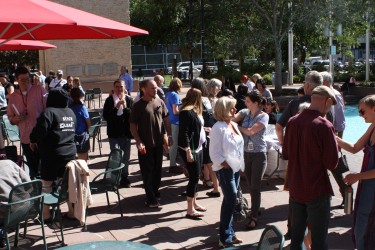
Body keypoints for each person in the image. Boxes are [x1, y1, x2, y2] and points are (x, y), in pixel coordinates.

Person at [283, 85, 338, 250]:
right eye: (330, 105)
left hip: (296, 187)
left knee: (296, 237)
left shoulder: (292, 121)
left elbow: (285, 154)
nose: (329, 109)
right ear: (327, 101)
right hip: (316, 189)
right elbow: (332, 163)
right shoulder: (324, 126)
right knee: (319, 241)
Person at [275, 70, 323, 238]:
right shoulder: (324, 104)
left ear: (307, 85)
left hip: (296, 158)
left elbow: (279, 126)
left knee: (295, 195)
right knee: (316, 197)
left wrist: (284, 145)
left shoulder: (295, 103)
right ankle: (311, 233)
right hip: (317, 161)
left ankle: (293, 230)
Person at [30, 88, 77, 222]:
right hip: (70, 154)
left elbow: (40, 131)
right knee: (66, 184)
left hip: (52, 154)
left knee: (47, 184)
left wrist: (33, 140)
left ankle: (45, 215)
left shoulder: (49, 112)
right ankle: (72, 212)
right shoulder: (70, 112)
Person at [337, 95, 375, 250]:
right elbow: (354, 147)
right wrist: (335, 138)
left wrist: (357, 177)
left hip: (370, 186)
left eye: (362, 111)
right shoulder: (372, 126)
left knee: (368, 227)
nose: (360, 115)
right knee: (362, 223)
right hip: (367, 187)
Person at [130, 79, 172, 208]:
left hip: (159, 143)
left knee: (157, 171)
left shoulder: (160, 102)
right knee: (147, 172)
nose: (156, 89)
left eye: (156, 87)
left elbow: (166, 119)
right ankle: (151, 199)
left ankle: (154, 191)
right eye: (153, 88)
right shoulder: (138, 106)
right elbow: (132, 125)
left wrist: (169, 135)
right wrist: (138, 141)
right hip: (145, 145)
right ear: (143, 89)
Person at [209, 96, 244, 248]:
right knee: (231, 199)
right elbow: (214, 154)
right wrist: (226, 165)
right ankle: (224, 237)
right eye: (232, 108)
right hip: (225, 170)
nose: (235, 110)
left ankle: (229, 232)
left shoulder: (233, 125)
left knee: (230, 200)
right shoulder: (218, 127)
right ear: (223, 110)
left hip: (235, 168)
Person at [233, 90, 269, 230]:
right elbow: (232, 118)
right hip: (246, 154)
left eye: (248, 101)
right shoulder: (245, 112)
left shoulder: (263, 116)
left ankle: (253, 216)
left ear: (255, 103)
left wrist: (236, 126)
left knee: (255, 186)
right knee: (250, 185)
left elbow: (250, 131)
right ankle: (256, 207)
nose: (245, 103)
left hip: (259, 154)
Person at [7, 66, 47, 179]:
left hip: (41, 137)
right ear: (16, 80)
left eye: (27, 79)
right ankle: (35, 192)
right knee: (33, 169)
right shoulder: (13, 97)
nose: (25, 82)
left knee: (44, 168)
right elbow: (11, 119)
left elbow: (48, 111)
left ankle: (47, 191)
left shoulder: (39, 91)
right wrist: (16, 119)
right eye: (22, 80)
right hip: (25, 137)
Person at [178, 88, 206, 219]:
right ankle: (189, 209)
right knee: (194, 177)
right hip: (190, 148)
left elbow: (195, 127)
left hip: (198, 147)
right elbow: (183, 133)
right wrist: (188, 150)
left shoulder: (194, 110)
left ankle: (194, 202)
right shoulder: (186, 112)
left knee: (197, 175)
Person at [321, 71, 347, 208]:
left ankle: (347, 197)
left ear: (325, 82)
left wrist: (338, 145)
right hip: (325, 141)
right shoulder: (322, 95)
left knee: (337, 171)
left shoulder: (335, 96)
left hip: (333, 140)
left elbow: (340, 123)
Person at [103, 79, 134, 188]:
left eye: (121, 86)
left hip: (125, 134)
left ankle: (124, 178)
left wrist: (125, 107)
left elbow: (132, 117)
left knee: (125, 157)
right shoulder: (109, 100)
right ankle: (114, 179)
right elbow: (106, 117)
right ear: (114, 87)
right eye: (117, 87)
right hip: (114, 134)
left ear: (125, 87)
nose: (119, 89)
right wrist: (116, 107)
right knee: (116, 156)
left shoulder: (129, 100)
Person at [202, 78, 222, 197]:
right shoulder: (204, 100)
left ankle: (215, 185)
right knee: (208, 160)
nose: (219, 89)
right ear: (212, 87)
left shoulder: (217, 100)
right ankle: (211, 182)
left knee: (210, 160)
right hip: (208, 131)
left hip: (215, 131)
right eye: (217, 86)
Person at [165, 78, 182, 173]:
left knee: (172, 142)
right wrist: (183, 110)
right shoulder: (175, 95)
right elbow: (175, 111)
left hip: (168, 121)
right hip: (175, 122)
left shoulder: (167, 94)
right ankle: (172, 164)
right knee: (174, 144)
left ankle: (172, 162)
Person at [69, 88, 91, 161]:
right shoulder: (82, 108)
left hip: (71, 136)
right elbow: (88, 123)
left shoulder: (69, 108)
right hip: (82, 136)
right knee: (83, 160)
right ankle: (83, 172)